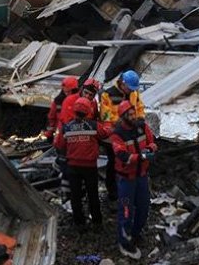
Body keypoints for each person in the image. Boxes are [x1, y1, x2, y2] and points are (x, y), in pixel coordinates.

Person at [54, 97, 111, 230]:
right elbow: (104, 134)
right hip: (89, 166)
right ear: (88, 111)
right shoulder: (93, 125)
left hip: (73, 167)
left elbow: (59, 144)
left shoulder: (67, 127)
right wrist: (109, 125)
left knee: (75, 196)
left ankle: (79, 223)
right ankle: (97, 222)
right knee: (93, 195)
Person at [110, 100, 157, 260]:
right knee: (126, 211)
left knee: (144, 207)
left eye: (133, 113)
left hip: (141, 176)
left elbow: (152, 142)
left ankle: (135, 233)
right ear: (123, 117)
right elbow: (123, 156)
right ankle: (124, 242)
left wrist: (150, 149)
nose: (132, 116)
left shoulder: (142, 126)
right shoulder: (117, 134)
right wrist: (142, 156)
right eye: (129, 115)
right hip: (126, 180)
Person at [99, 70, 145, 201]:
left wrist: (140, 119)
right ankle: (113, 191)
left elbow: (139, 107)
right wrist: (121, 122)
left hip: (129, 133)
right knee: (114, 163)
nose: (131, 91)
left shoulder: (134, 93)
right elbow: (106, 116)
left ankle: (129, 188)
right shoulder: (108, 95)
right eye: (129, 88)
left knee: (130, 161)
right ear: (122, 83)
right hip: (113, 135)